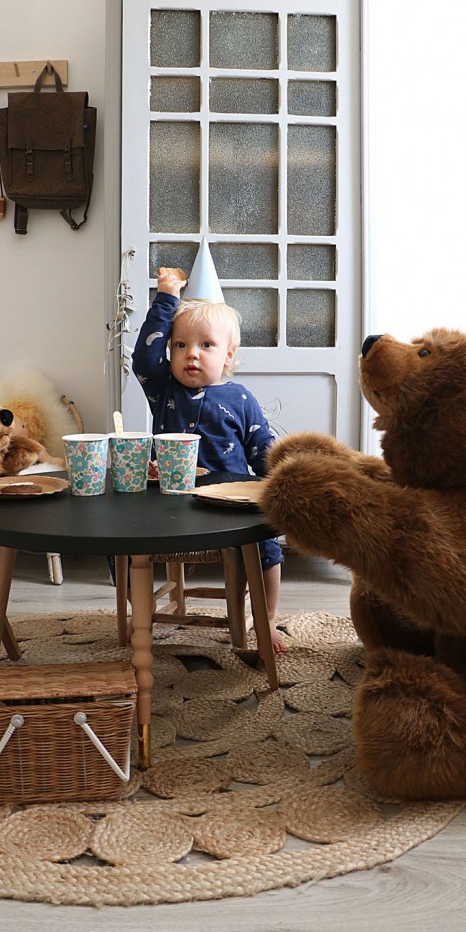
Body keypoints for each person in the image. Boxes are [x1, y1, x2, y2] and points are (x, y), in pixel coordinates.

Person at [132, 268, 285, 653]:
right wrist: (167, 298)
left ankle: (266, 620)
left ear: (228, 354)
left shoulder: (240, 398)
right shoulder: (163, 388)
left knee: (268, 546)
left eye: (206, 346)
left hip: (228, 505)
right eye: (180, 346)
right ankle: (141, 613)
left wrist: (283, 484)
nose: (191, 355)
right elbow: (144, 359)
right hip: (171, 503)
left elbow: (263, 449)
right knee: (121, 536)